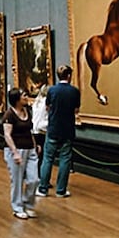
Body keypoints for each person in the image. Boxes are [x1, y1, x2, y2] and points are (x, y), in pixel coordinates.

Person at [38, 65, 80, 198]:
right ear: (68, 76)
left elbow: (47, 108)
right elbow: (76, 110)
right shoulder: (74, 91)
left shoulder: (52, 90)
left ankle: (43, 188)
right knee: (65, 160)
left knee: (47, 159)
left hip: (53, 129)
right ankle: (61, 190)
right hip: (67, 129)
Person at [3, 88, 39, 219]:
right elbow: (7, 135)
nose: (26, 97)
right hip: (16, 150)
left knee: (34, 179)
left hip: (30, 149)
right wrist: (15, 153)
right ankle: (17, 207)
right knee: (17, 180)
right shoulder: (9, 114)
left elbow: (29, 130)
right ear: (17, 99)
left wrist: (35, 146)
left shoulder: (27, 111)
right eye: (24, 95)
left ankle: (28, 204)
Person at [31, 84, 49, 166]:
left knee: (37, 154)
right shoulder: (46, 102)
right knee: (42, 155)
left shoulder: (36, 101)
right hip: (43, 129)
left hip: (35, 129)